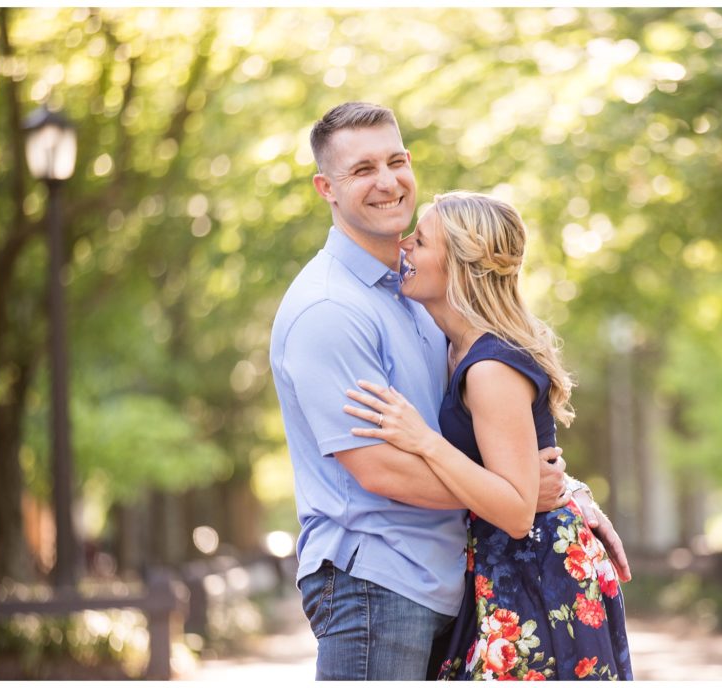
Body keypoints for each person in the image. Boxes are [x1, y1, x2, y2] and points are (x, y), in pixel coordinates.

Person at [269, 102, 629, 680]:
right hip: (376, 583)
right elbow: (382, 469)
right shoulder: (330, 309)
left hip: (454, 580)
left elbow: (498, 430)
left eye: (396, 160)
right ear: (326, 188)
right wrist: (517, 495)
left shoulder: (418, 297)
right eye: (362, 170)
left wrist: (560, 490)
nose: (387, 182)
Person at [343, 191, 633, 680]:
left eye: (422, 239)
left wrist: (423, 440)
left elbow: (518, 511)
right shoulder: (458, 350)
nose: (405, 244)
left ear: (458, 266)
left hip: (537, 573)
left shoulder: (490, 368)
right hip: (508, 568)